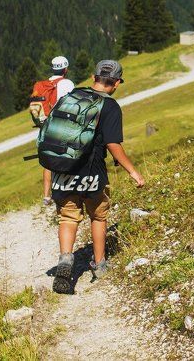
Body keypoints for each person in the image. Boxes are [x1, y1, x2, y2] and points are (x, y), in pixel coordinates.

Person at [51, 59, 145, 294]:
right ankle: (100, 264)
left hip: (62, 168)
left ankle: (65, 259)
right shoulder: (110, 106)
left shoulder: (71, 98)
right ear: (116, 83)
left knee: (68, 217)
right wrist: (133, 172)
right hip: (92, 171)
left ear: (93, 78)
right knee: (98, 216)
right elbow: (113, 144)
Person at [41, 56, 75, 206]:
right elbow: (73, 104)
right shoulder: (67, 83)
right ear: (66, 69)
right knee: (67, 155)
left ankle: (46, 196)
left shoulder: (45, 84)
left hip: (46, 125)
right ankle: (68, 190)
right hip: (62, 125)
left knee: (48, 160)